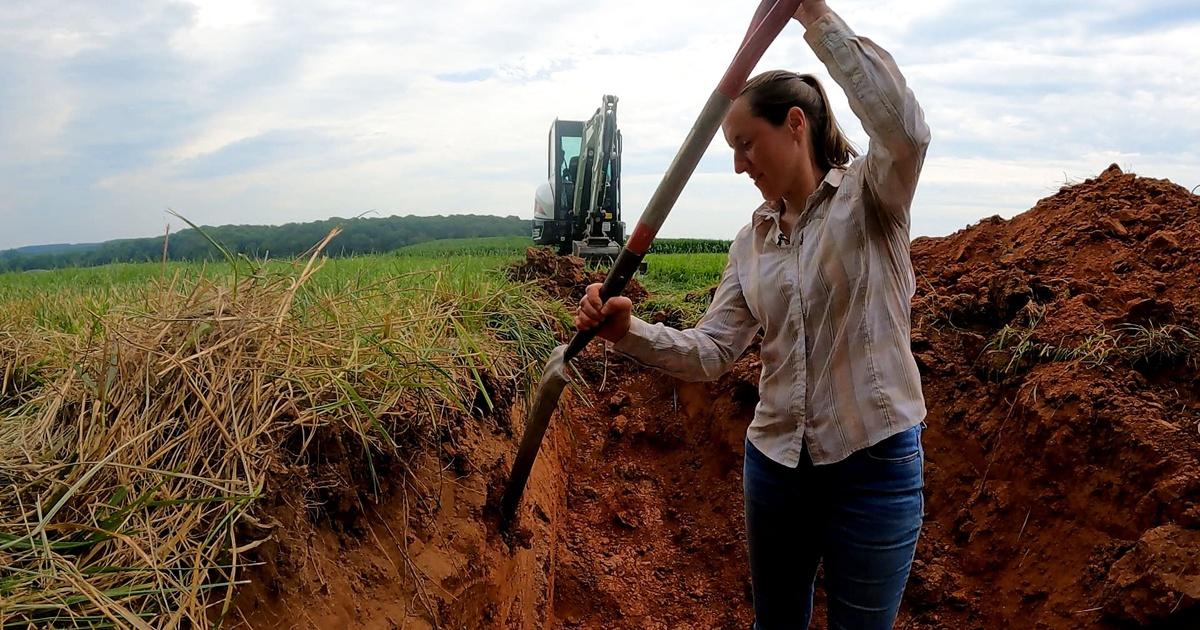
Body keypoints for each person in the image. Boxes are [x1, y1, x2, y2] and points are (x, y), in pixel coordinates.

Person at [574, 1, 930, 628]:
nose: (740, 164)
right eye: (732, 150)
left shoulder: (871, 196)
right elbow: (711, 352)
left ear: (795, 124)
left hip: (874, 464)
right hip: (776, 468)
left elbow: (904, 131)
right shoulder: (751, 242)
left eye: (745, 144)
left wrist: (815, 14)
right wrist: (628, 333)